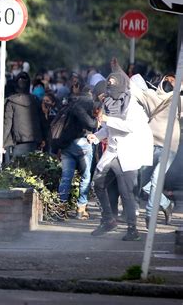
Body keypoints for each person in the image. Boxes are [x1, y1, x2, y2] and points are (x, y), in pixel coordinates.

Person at [87, 70, 153, 241]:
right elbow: (109, 128)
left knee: (127, 194)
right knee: (97, 184)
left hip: (129, 153)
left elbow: (130, 127)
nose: (112, 96)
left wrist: (108, 120)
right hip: (113, 151)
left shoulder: (133, 105)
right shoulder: (110, 103)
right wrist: (98, 136)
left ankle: (133, 229)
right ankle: (108, 219)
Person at [130, 73, 182, 228]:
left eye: (175, 81)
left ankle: (150, 214)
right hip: (150, 145)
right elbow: (133, 88)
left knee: (156, 180)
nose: (171, 83)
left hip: (169, 147)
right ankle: (166, 204)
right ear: (164, 81)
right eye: (169, 80)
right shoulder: (151, 96)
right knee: (140, 181)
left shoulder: (179, 100)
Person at [55, 88, 98, 220]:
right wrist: (97, 121)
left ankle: (61, 209)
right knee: (85, 176)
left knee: (66, 177)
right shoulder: (84, 105)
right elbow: (90, 123)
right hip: (82, 144)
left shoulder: (71, 104)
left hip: (67, 146)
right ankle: (81, 209)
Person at [3, 72, 44, 159]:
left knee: (14, 170)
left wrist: (2, 142)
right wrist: (43, 139)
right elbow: (42, 121)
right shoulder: (35, 101)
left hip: (18, 142)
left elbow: (8, 124)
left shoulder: (11, 102)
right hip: (34, 142)